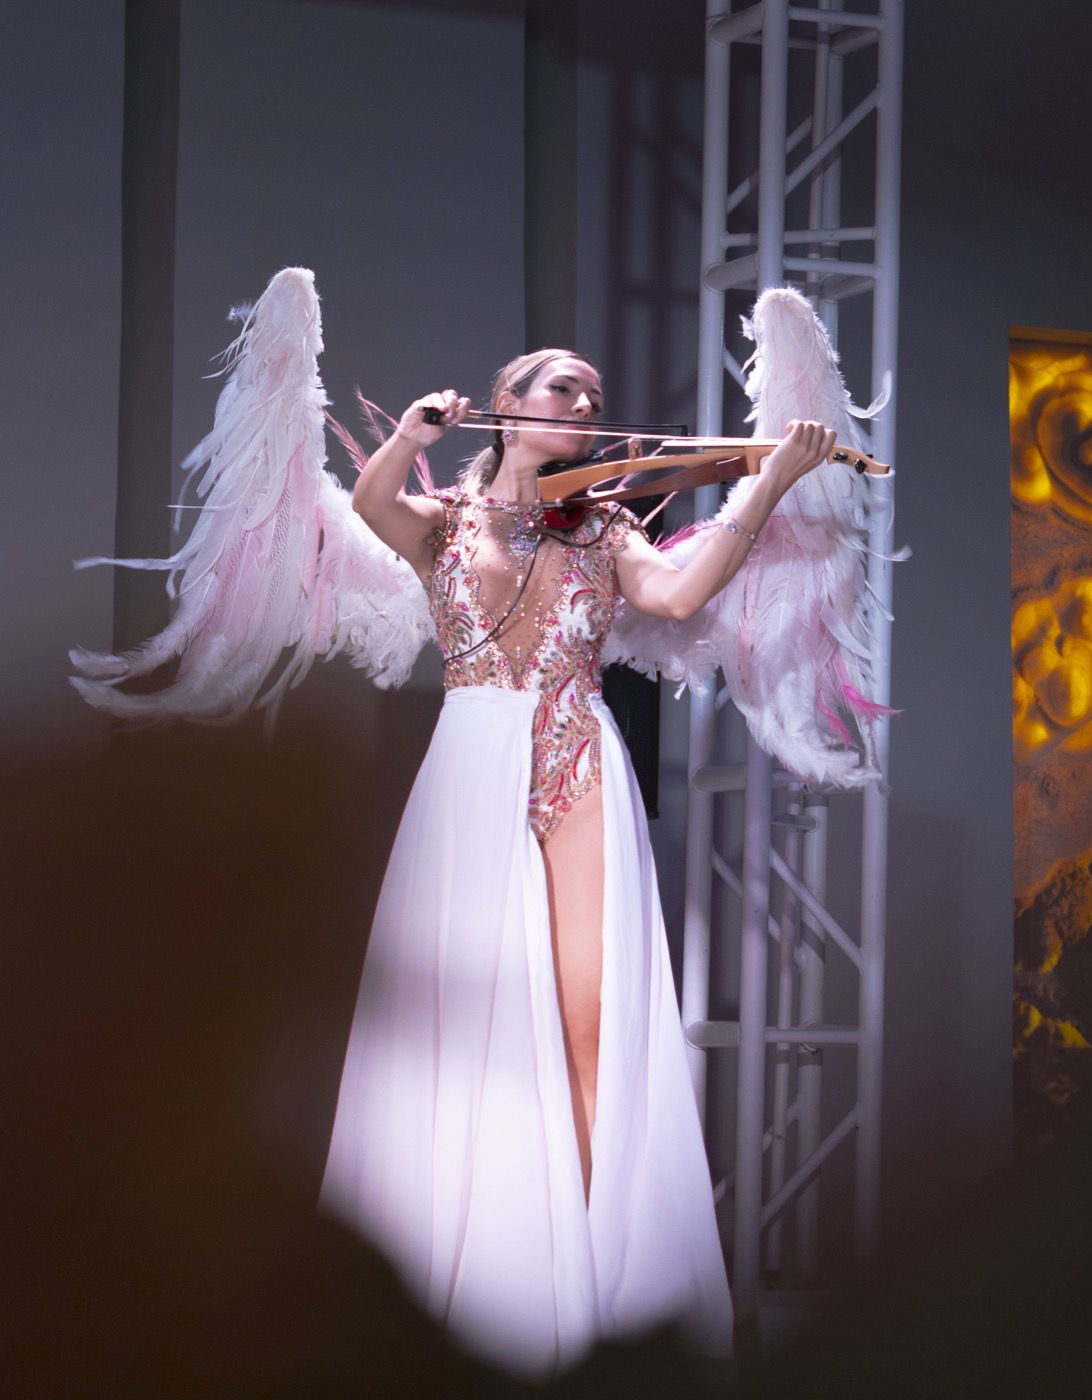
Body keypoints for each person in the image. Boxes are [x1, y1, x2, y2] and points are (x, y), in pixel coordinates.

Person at [317, 346, 835, 1374]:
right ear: (506, 409)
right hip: (474, 758)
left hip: (578, 756)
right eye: (565, 388)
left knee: (590, 1018)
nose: (589, 404)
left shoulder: (605, 530)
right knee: (458, 1019)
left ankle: (588, 1286)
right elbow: (375, 504)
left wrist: (767, 480)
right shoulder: (447, 524)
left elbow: (682, 597)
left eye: (597, 393)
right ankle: (468, 1278)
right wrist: (414, 434)